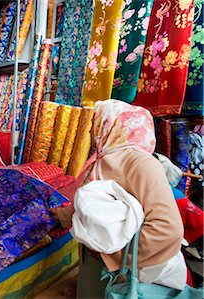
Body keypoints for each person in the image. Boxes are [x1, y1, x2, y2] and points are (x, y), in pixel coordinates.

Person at [50, 100, 186, 297]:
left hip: (126, 272)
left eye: (94, 124)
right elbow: (92, 205)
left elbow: (167, 229)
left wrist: (113, 256)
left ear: (111, 125)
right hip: (99, 266)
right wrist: (62, 215)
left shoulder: (140, 163)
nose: (90, 132)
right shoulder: (103, 158)